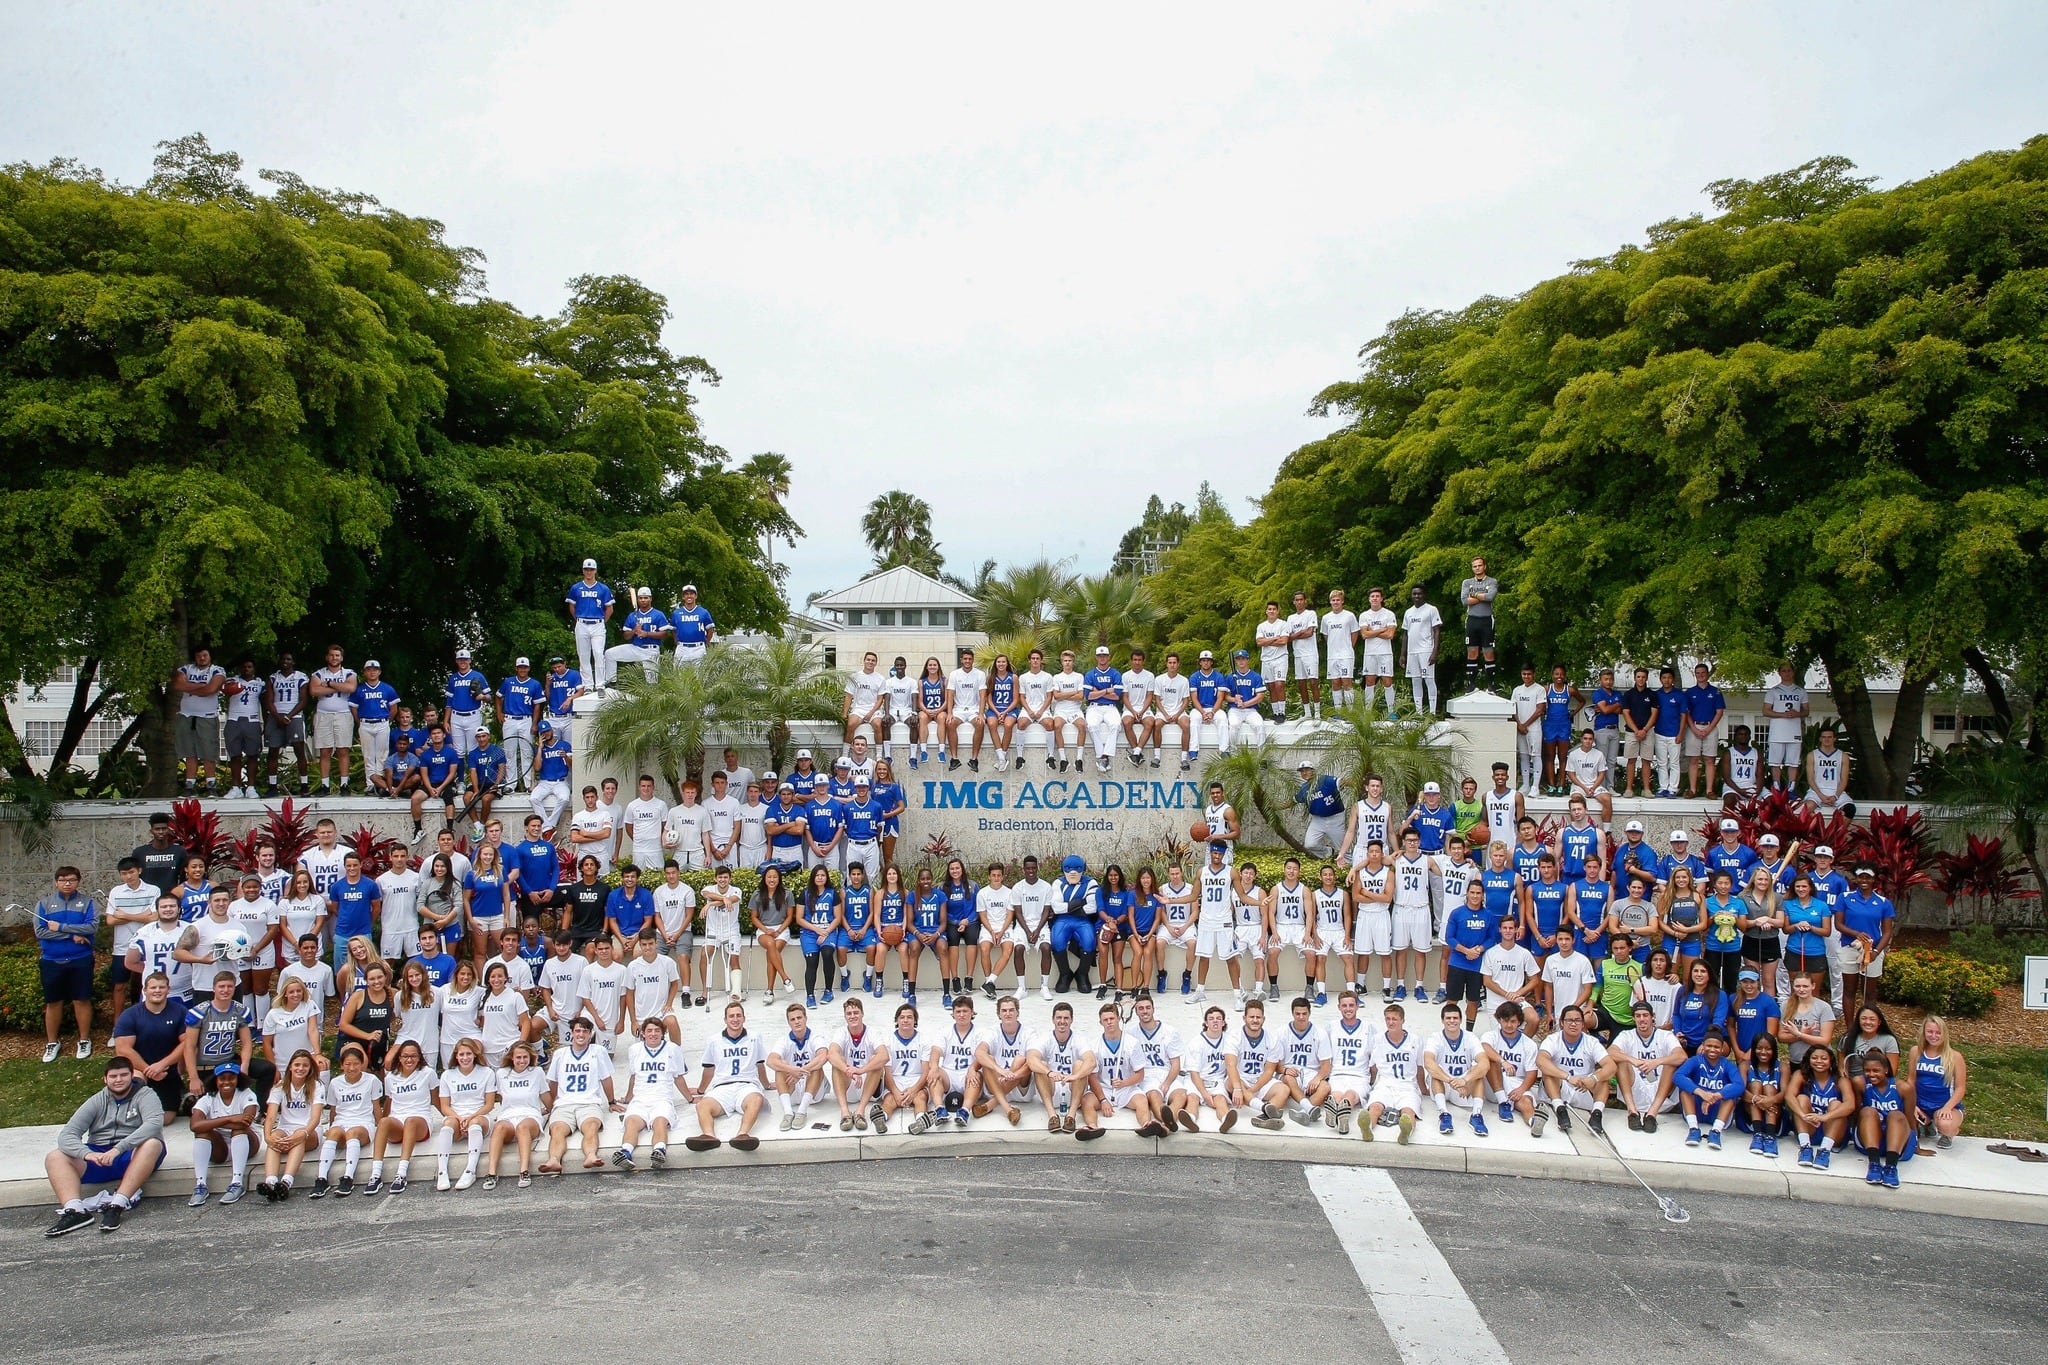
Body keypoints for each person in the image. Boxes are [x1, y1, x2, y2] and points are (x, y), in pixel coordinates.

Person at [43, 1057, 167, 1237]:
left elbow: (155, 1124)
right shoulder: (97, 1100)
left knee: (153, 1143)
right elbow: (67, 1135)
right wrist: (87, 1154)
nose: (118, 1080)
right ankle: (75, 1211)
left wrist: (119, 1148)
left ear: (132, 1076)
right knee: (55, 1156)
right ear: (105, 1079)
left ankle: (117, 1205)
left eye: (124, 1075)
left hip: (131, 1154)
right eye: (113, 1076)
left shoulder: (146, 1095)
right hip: (99, 1156)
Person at [35, 866, 98, 1064]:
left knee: (82, 1000)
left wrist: (61, 927)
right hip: (52, 960)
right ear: (56, 882)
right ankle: (52, 1042)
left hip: (80, 959)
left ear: (78, 881)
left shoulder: (87, 903)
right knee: (53, 1002)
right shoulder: (44, 904)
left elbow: (92, 926)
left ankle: (84, 1040)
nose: (67, 883)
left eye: (71, 879)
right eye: (62, 880)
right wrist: (72, 934)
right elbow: (41, 932)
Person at [542, 1016, 617, 1172]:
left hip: (589, 1102)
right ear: (572, 1033)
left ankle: (590, 1155)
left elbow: (606, 1079)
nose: (581, 1034)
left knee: (590, 1128)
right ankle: (554, 1159)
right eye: (577, 1031)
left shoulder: (598, 1051)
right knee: (557, 1130)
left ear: (590, 1034)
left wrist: (612, 1102)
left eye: (585, 1031)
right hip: (565, 1103)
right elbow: (553, 1082)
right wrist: (551, 1106)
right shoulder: (560, 1054)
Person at [615, 1016, 692, 1167]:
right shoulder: (635, 1050)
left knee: (660, 1122)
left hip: (662, 1098)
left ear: (663, 1033)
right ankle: (625, 1152)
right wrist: (628, 1098)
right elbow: (634, 1076)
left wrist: (690, 1098)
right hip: (641, 1098)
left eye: (657, 1030)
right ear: (643, 1033)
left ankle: (659, 1151)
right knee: (632, 1122)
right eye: (649, 1031)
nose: (653, 1034)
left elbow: (678, 1077)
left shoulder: (673, 1049)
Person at [692, 1000, 768, 1151]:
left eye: (738, 1016)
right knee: (702, 1105)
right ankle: (709, 1136)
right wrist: (701, 1090)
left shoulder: (754, 1037)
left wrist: (766, 1084)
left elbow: (760, 1064)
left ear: (744, 1018)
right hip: (722, 1087)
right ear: (725, 1019)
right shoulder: (714, 1040)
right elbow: (709, 1069)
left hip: (747, 1085)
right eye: (731, 1016)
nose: (735, 1019)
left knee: (757, 1099)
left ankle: (743, 1135)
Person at [311, 1044, 383, 1198]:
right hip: (341, 1121)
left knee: (352, 1133)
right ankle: (321, 1179)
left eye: (356, 1063)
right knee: (334, 1132)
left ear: (362, 1064)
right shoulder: (335, 1083)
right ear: (342, 1065)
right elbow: (333, 1110)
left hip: (363, 1122)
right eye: (348, 1064)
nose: (352, 1068)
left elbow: (376, 1106)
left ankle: (348, 1178)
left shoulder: (371, 1080)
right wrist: (331, 1127)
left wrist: (380, 1127)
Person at [1534, 1005, 1610, 1135]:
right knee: (1549, 1071)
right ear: (1562, 1023)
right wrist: (1568, 1077)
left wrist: (1593, 1079)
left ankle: (1597, 1115)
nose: (1573, 1024)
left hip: (1583, 1087)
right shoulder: (1553, 1039)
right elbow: (1541, 1061)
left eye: (1578, 1020)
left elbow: (1611, 1066)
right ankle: (1560, 1110)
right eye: (1569, 1020)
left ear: (1582, 1024)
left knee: (1603, 1076)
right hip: (1559, 1087)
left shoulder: (1592, 1042)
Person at [487, 1041, 550, 1189]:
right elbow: (503, 1099)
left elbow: (545, 1096)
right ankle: (491, 1173)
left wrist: (550, 1109)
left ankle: (524, 1171)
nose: (522, 1061)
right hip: (508, 1115)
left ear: (530, 1057)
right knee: (499, 1127)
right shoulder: (501, 1074)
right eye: (518, 1057)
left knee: (523, 1127)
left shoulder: (537, 1072)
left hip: (530, 1115)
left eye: (525, 1057)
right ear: (511, 1058)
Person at [1423, 1001, 1489, 1137]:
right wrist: (1451, 1081)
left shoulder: (1470, 1037)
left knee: (1478, 1071)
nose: (1452, 1021)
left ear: (1460, 1020)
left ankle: (1476, 1115)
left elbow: (1485, 1064)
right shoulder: (1436, 1038)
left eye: (1455, 1018)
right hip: (1443, 1085)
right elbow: (1428, 1062)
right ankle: (1444, 1114)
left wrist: (1464, 1080)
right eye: (1448, 1018)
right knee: (1436, 1070)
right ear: (1442, 1020)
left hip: (1463, 1087)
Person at [1359, 1002, 1421, 1144]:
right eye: (1388, 1019)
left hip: (1407, 1085)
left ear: (1402, 1021)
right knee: (1375, 1106)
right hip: (1385, 1083)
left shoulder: (1415, 1040)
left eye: (1394, 1019)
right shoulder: (1378, 1039)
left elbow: (1419, 1067)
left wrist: (1423, 1089)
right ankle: (1367, 1129)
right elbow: (1373, 1066)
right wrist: (1371, 1084)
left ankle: (1406, 1132)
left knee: (1408, 1111)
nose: (1391, 1022)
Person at [874, 1001, 939, 1135]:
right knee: (889, 1100)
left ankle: (921, 1120)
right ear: (897, 1020)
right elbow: (887, 1072)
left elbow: (925, 1071)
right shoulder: (888, 1040)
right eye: (902, 1017)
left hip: (916, 1080)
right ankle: (881, 1118)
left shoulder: (924, 1040)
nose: (905, 1020)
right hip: (895, 1080)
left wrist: (914, 1090)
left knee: (920, 1098)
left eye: (909, 1017)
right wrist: (896, 1092)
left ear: (915, 1021)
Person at [1672, 1028, 1743, 1149]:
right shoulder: (1695, 1060)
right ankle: (1694, 1129)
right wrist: (1701, 1092)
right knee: (1685, 1091)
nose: (1712, 1049)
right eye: (1709, 1046)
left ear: (1722, 1049)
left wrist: (1716, 1096)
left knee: (1730, 1094)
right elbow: (1677, 1076)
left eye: (1716, 1047)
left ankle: (1716, 1132)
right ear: (1703, 1046)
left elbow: (1739, 1085)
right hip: (1697, 1109)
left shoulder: (1727, 1065)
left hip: (1717, 1111)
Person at [1787, 1043, 1852, 1169]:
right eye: (1815, 1058)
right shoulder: (1801, 1075)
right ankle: (1805, 1147)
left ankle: (1824, 1151)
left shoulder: (1840, 1080)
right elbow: (1789, 1096)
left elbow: (1850, 1105)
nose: (1819, 1061)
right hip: (1810, 1127)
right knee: (1801, 1098)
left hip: (1833, 1131)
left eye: (1824, 1058)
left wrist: (1825, 1117)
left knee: (1837, 1104)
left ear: (1831, 1061)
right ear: (1808, 1059)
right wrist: (1803, 1115)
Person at [1908, 1016, 1967, 1152]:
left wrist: (1947, 1107)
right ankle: (1927, 1124)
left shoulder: (1954, 1056)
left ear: (1944, 1034)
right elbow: (1911, 1081)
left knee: (1945, 1125)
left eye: (1938, 1032)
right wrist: (1912, 1104)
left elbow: (1960, 1088)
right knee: (1904, 1123)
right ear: (1924, 1032)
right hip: (1921, 1104)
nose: (1934, 1036)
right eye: (1930, 1032)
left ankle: (1949, 1133)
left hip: (1944, 1105)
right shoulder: (1916, 1052)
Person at [1856, 1051, 1913, 1189]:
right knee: (1868, 1111)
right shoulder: (1861, 1083)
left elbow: (1910, 1119)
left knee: (1896, 1115)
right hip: (1871, 1142)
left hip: (1897, 1143)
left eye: (1876, 1070)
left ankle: (1891, 1167)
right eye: (1867, 1070)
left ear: (1886, 1070)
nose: (1871, 1074)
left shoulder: (1903, 1088)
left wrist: (1916, 1145)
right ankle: (1874, 1164)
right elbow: (1856, 1114)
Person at [566, 558, 615, 691]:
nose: (589, 572)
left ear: (595, 571)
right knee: (583, 655)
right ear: (583, 571)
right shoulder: (576, 587)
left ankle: (600, 684)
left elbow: (609, 609)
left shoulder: (603, 588)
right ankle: (588, 685)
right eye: (586, 569)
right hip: (581, 622)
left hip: (597, 623)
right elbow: (572, 606)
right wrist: (578, 619)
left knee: (599, 653)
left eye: (591, 569)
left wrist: (602, 622)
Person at [605, 587, 670, 685]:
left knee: (652, 684)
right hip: (635, 647)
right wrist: (634, 631)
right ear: (638, 599)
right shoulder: (632, 616)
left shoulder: (658, 614)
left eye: (645, 597)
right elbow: (626, 636)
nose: (643, 600)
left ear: (650, 599)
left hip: (651, 650)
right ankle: (612, 684)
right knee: (609, 654)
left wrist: (646, 633)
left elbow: (665, 634)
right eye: (640, 598)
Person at [1681, 663, 1727, 798]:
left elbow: (1719, 712)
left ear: (1707, 674)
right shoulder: (1689, 692)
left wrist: (1708, 729)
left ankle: (1709, 790)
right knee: (1694, 759)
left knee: (1709, 759)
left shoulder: (1716, 691)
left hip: (1710, 727)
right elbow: (1686, 713)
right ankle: (1693, 790)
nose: (1700, 675)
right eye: (1698, 673)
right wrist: (1694, 728)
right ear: (1695, 675)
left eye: (1703, 673)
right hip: (1693, 727)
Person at [1741, 1031, 1785, 1155]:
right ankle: (1758, 1134)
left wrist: (1769, 1100)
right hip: (1750, 1113)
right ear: (1753, 1049)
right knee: (1756, 1085)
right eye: (1759, 1048)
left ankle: (1771, 1136)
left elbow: (1786, 1093)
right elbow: (1740, 1090)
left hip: (1774, 1113)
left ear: (1774, 1050)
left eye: (1768, 1049)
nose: (1763, 1052)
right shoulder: (1745, 1066)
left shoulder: (1782, 1067)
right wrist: (1756, 1099)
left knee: (1770, 1088)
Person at [1401, 585, 1443, 715]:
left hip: (1426, 650)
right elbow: (1405, 634)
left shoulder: (1431, 610)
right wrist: (1402, 654)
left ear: (1424, 594)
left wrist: (1434, 651)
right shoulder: (1408, 612)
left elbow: (1436, 631)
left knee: (1429, 679)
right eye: (1414, 594)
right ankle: (1418, 712)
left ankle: (1432, 712)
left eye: (1419, 594)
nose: (1416, 596)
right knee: (1415, 680)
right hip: (1412, 652)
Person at [1459, 557, 1499, 692]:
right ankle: (1471, 684)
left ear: (1484, 566)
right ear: (1472, 568)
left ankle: (1491, 685)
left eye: (1479, 565)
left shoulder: (1492, 581)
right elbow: (1464, 601)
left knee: (1488, 652)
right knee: (1472, 652)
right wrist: (1481, 595)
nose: (1477, 568)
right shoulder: (1467, 582)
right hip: (1472, 620)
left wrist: (1474, 594)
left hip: (1486, 620)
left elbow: (1490, 597)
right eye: (1475, 566)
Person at [1540, 666, 1578, 796]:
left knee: (1562, 757)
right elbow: (1539, 702)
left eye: (1561, 674)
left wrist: (1573, 714)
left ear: (1565, 676)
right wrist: (1543, 711)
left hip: (1564, 725)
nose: (1559, 676)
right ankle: (1551, 785)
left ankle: (1561, 786)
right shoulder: (1546, 689)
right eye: (1556, 674)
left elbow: (1582, 701)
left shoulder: (1570, 690)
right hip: (1550, 725)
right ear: (1552, 675)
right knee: (1550, 757)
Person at [1509, 664, 1546, 797]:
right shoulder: (1517, 690)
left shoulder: (1539, 689)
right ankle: (1525, 784)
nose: (1526, 677)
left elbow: (1540, 710)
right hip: (1520, 728)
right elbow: (1513, 709)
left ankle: (1535, 786)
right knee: (1523, 755)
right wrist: (1519, 724)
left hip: (1534, 728)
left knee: (1535, 755)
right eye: (1524, 674)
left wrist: (1525, 724)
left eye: (1529, 674)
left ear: (1533, 674)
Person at [1804, 725, 1855, 819]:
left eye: (1829, 737)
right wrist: (1821, 796)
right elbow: (1810, 779)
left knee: (1850, 810)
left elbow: (1844, 780)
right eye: (1824, 737)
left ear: (1834, 739)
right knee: (1807, 809)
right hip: (1816, 791)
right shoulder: (1812, 755)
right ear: (1820, 739)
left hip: (1836, 791)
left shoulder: (1843, 756)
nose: (1826, 739)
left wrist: (1835, 796)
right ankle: (1813, 831)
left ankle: (1838, 833)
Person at [1223, 649, 1266, 751]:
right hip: (1235, 709)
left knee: (1260, 726)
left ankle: (1262, 755)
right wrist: (1234, 699)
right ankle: (1233, 752)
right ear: (1236, 661)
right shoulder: (1230, 677)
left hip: (1251, 710)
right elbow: (1225, 696)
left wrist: (1246, 704)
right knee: (1233, 726)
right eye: (1238, 659)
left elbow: (1260, 696)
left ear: (1248, 660)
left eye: (1243, 659)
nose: (1241, 661)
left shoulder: (1255, 676)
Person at [670, 583, 716, 666]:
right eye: (686, 594)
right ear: (683, 597)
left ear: (695, 596)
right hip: (682, 648)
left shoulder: (703, 612)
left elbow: (710, 630)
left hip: (698, 648)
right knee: (680, 677)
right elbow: (674, 630)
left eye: (691, 593)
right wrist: (677, 642)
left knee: (700, 677)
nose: (689, 596)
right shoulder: (676, 613)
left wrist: (706, 642)